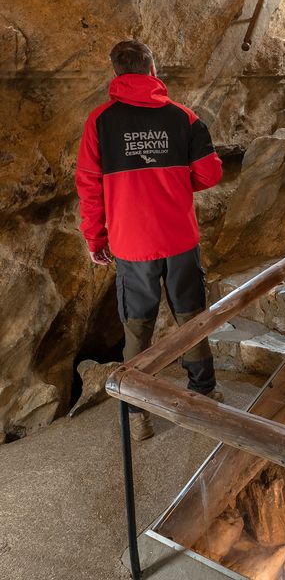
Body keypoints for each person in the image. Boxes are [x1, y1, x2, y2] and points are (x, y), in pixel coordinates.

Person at [75, 40, 224, 441]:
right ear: (153, 69)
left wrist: (95, 238)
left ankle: (136, 413)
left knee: (137, 328)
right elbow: (210, 174)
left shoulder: (100, 122)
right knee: (190, 316)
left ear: (116, 73)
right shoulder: (184, 117)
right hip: (179, 237)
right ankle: (204, 394)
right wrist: (176, 183)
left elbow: (89, 186)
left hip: (131, 244)